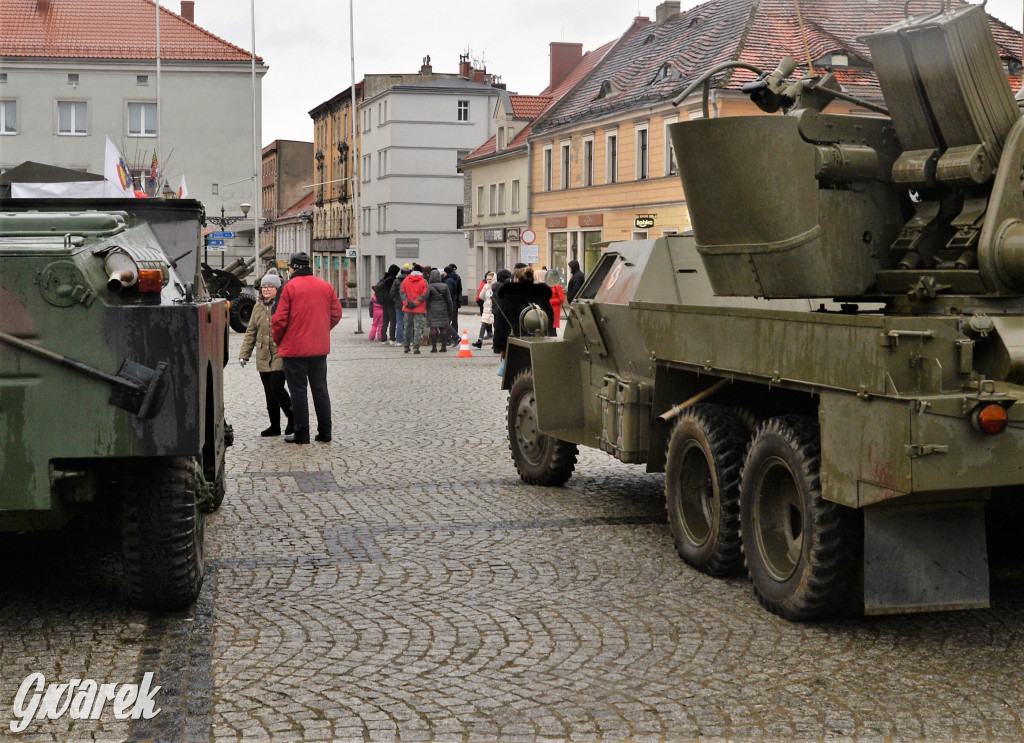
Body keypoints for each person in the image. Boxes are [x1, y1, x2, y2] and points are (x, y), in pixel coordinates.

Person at [271, 252, 342, 444]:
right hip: (318, 349)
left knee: (298, 391)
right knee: (320, 390)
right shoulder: (325, 286)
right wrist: (321, 330)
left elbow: (279, 319)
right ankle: (325, 432)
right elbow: (336, 313)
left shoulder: (289, 287)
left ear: (293, 268)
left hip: (294, 349)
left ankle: (302, 434)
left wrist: (279, 340)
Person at [239, 273, 292, 437]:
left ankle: (293, 418)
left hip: (279, 352)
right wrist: (244, 354)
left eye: (270, 286)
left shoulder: (283, 305)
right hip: (263, 354)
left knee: (276, 387)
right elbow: (251, 332)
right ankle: (274, 425)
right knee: (269, 391)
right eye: (264, 286)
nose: (266, 289)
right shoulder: (258, 306)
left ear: (277, 289)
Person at [492, 266, 554, 360]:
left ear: (516, 279)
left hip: (514, 344)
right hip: (538, 342)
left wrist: (501, 347)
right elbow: (549, 319)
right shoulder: (541, 295)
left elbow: (501, 324)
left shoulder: (509, 296)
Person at [400, 265, 429, 354]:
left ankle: (406, 347)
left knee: (407, 327)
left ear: (412, 270)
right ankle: (416, 348)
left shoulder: (406, 280)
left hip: (407, 308)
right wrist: (416, 303)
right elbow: (425, 294)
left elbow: (402, 292)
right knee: (418, 328)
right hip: (419, 309)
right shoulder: (424, 282)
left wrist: (407, 302)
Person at [426, 268, 454, 352]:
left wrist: (426, 308)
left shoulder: (429, 287)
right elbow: (449, 299)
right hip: (443, 309)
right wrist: (450, 309)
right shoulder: (444, 286)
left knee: (433, 328)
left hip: (432, 309)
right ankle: (444, 347)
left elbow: (427, 299)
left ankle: (434, 347)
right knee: (443, 327)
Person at [374, 264, 399, 344]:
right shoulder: (392, 280)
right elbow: (393, 292)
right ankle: (392, 338)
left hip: (384, 302)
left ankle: (383, 338)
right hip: (391, 302)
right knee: (393, 321)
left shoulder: (384, 278)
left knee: (385, 321)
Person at [472, 271, 495, 348]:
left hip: (494, 309)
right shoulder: (485, 285)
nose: (488, 280)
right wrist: (485, 289)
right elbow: (481, 296)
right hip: (486, 308)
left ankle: (496, 342)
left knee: (496, 325)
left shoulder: (496, 286)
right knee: (483, 324)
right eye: (487, 279)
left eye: (490, 279)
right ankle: (479, 340)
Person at [390, 264, 411, 346]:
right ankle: (410, 340)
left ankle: (399, 340)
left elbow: (392, 293)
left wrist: (395, 299)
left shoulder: (396, 281)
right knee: (409, 322)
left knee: (399, 322)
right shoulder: (410, 280)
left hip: (399, 304)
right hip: (409, 304)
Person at [443, 264, 463, 342]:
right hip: (454, 302)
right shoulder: (454, 278)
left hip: (452, 302)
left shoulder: (449, 280)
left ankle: (452, 337)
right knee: (452, 321)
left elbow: (454, 291)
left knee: (448, 321)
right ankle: (453, 337)